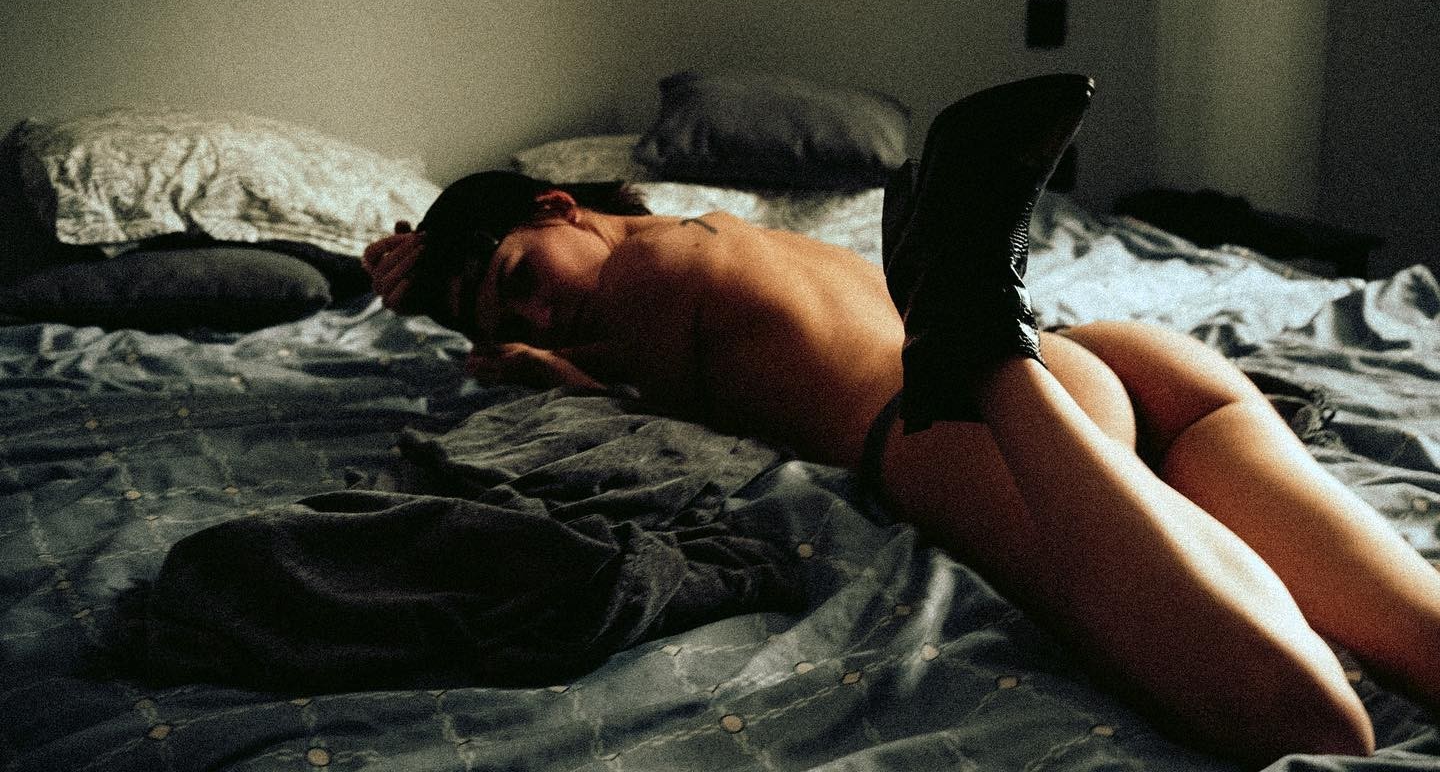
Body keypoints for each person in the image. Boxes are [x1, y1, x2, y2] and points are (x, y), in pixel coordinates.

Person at [363, 74, 1440, 766]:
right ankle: (976, 306)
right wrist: (459, 289)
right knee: (1420, 633)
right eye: (507, 319)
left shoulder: (643, 284)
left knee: (1313, 726)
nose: (534, 315)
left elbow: (651, 398)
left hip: (950, 424)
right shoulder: (717, 235)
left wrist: (548, 370)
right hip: (1110, 359)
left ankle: (971, 323)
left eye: (519, 278)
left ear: (557, 204)